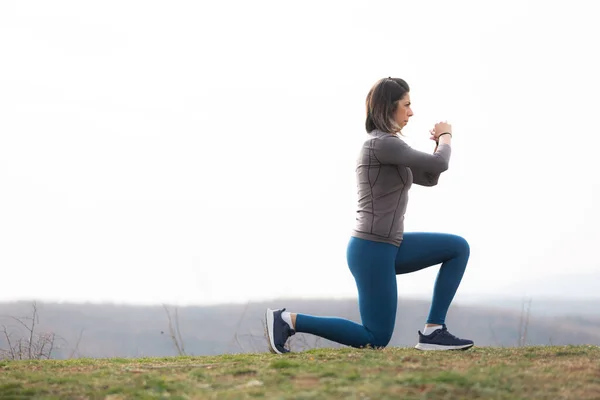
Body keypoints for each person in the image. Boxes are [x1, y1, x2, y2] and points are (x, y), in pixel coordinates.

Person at [265, 77, 473, 353]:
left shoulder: (390, 147)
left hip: (389, 245)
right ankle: (287, 321)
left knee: (457, 248)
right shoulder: (383, 145)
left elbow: (431, 176)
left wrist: (437, 146)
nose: (411, 112)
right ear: (389, 107)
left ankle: (434, 330)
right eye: (406, 105)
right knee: (376, 337)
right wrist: (446, 136)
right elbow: (440, 164)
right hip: (372, 249)